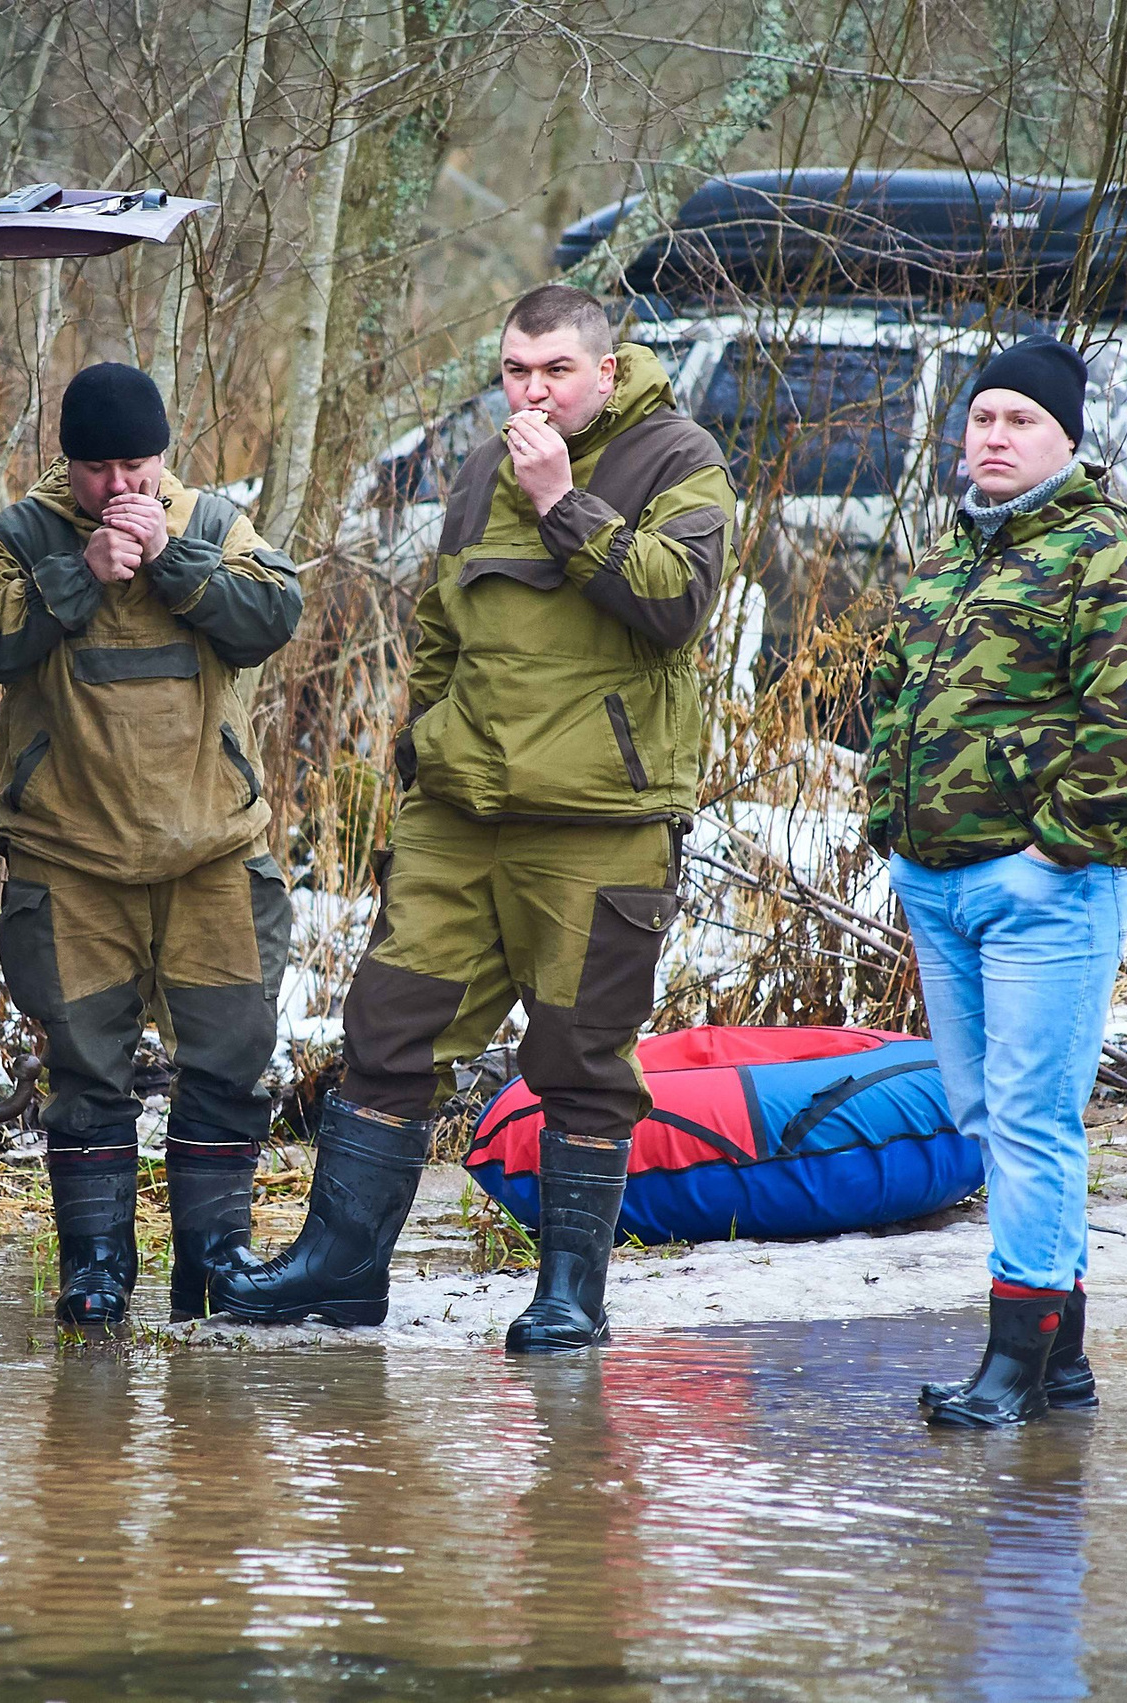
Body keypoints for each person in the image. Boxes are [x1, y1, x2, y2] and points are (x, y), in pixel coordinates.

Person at [209, 284, 733, 1350]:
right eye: (514, 372)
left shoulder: (677, 457)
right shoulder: (482, 466)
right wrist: (425, 749)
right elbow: (440, 629)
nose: (533, 393)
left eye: (556, 371)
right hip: (460, 817)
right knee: (387, 1032)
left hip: (599, 820)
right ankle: (340, 1270)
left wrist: (563, 502)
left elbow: (676, 603)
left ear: (604, 370)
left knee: (581, 1055)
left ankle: (570, 1297)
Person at [0, 361, 303, 1335]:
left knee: (229, 1058)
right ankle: (95, 1270)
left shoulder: (213, 523)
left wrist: (174, 562)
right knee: (86, 1070)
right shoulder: (20, 536)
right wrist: (78, 575)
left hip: (212, 854)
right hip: (70, 862)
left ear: (162, 456)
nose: (119, 486)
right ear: (68, 464)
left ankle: (215, 1265)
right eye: (98, 469)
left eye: (136, 467)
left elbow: (274, 613)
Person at [866, 335, 1127, 1427]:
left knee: (1031, 1120)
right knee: (983, 1114)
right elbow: (889, 699)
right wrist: (889, 825)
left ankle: (1013, 1363)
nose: (994, 438)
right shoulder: (949, 558)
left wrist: (1058, 845)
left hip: (1044, 888)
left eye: (1021, 421)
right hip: (936, 882)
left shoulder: (1108, 554)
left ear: (1067, 440)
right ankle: (1064, 1365)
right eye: (983, 418)